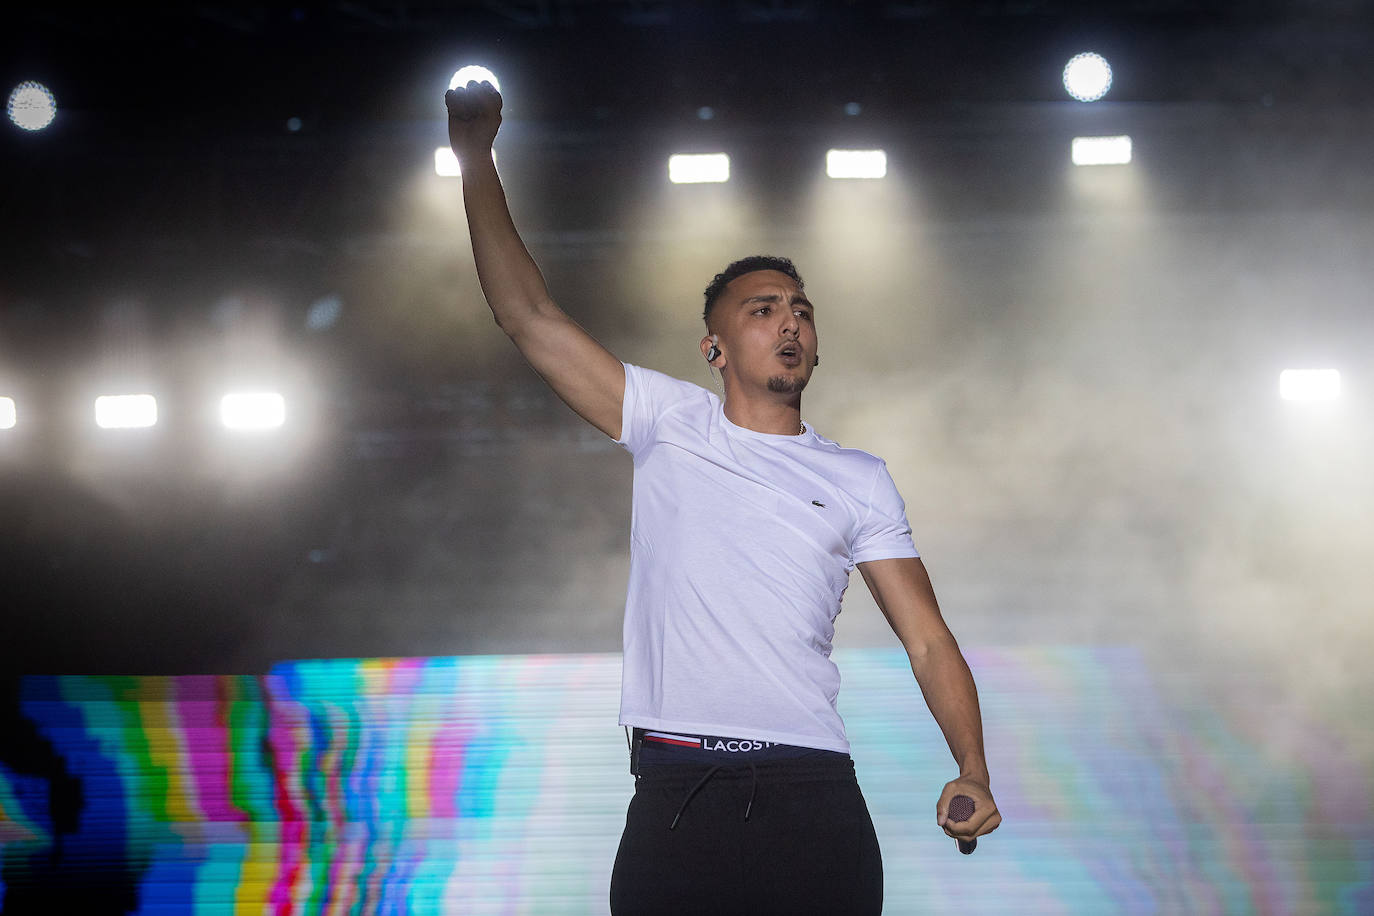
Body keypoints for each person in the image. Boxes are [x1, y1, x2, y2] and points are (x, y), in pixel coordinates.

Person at [446, 80, 1000, 915]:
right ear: (714, 345)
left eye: (803, 312)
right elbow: (526, 314)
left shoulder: (859, 477)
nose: (790, 324)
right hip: (679, 794)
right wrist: (475, 154)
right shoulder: (669, 421)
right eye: (764, 308)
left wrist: (973, 769)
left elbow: (927, 640)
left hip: (813, 790)